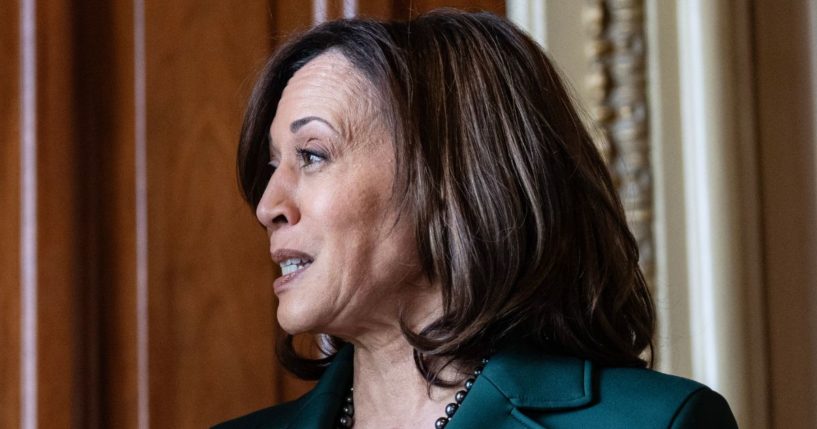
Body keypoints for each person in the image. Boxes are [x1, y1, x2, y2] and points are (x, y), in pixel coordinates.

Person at [215, 9, 738, 429]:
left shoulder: (656, 422)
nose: (268, 205)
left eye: (312, 155)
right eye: (271, 165)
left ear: (451, 179)